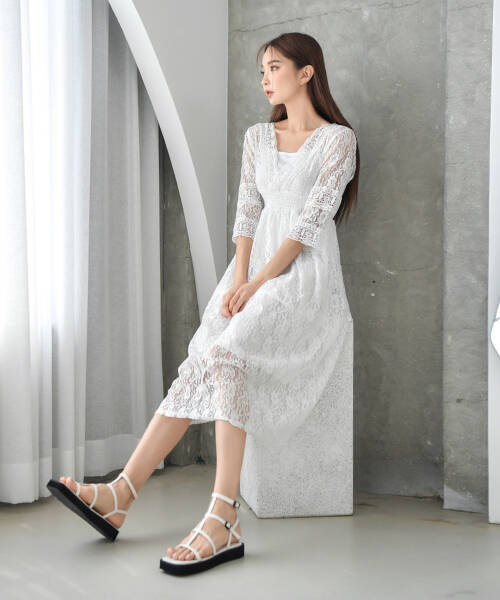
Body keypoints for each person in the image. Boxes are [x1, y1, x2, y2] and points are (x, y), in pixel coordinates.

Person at [47, 31, 359, 576]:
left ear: (307, 72)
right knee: (199, 363)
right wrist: (237, 281)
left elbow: (310, 224)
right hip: (250, 275)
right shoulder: (258, 137)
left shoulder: (338, 141)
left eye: (274, 67)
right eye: (261, 71)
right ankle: (120, 493)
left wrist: (258, 285)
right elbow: (247, 214)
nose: (265, 79)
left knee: (228, 354)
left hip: (303, 280)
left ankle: (222, 517)